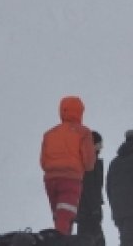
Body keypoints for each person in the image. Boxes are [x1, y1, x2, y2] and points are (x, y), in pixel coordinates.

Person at [40, 96, 97, 236]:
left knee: (59, 218)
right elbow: (89, 163)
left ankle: (61, 240)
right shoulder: (83, 132)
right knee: (65, 219)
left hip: (50, 180)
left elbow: (43, 162)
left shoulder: (49, 134)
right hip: (71, 180)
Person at [77, 131, 106, 246]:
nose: (101, 146)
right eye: (99, 144)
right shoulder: (89, 162)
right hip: (88, 210)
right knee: (95, 241)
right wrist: (95, 209)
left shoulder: (90, 161)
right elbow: (89, 186)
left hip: (86, 210)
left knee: (86, 240)